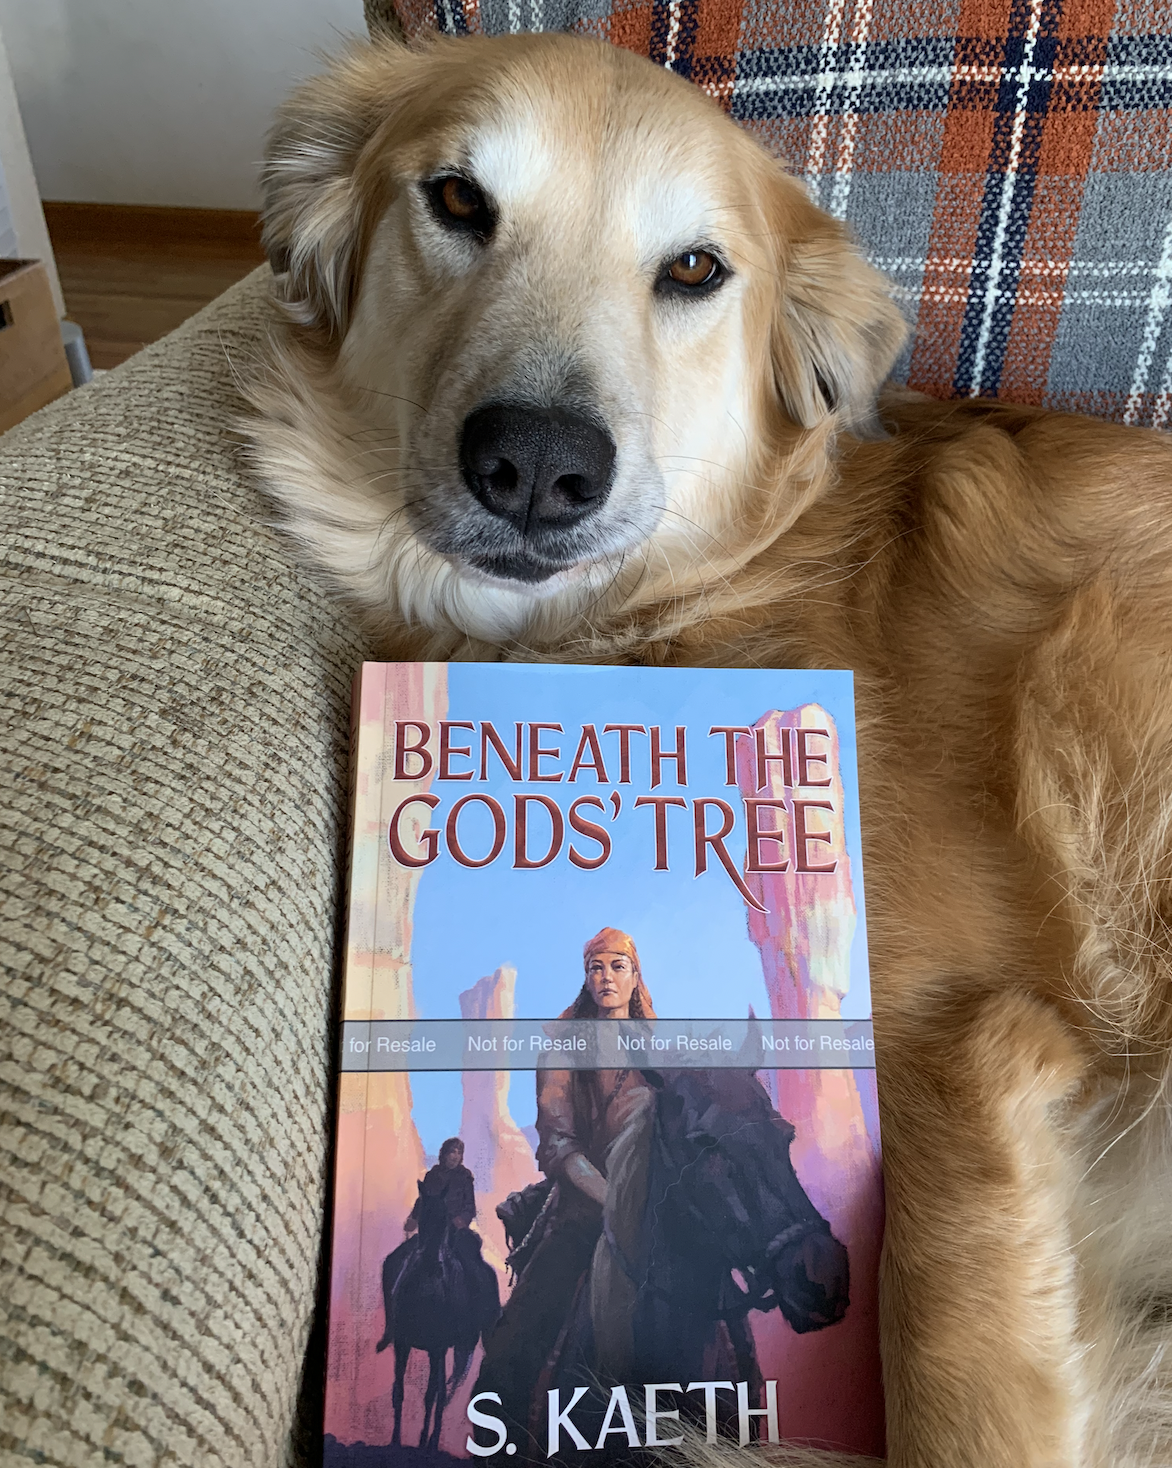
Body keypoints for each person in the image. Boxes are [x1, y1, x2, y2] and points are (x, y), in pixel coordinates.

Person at [473, 927, 657, 1450]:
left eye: (617, 966)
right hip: (584, 1213)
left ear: (635, 976)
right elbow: (559, 1144)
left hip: (657, 1214)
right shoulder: (562, 1046)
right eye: (596, 968)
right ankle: (503, 1438)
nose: (606, 978)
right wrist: (616, 1203)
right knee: (522, 1333)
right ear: (586, 978)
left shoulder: (659, 1047)